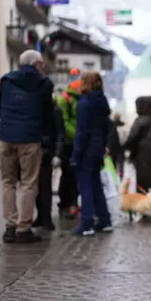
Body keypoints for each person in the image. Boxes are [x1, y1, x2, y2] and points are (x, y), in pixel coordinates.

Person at [0, 49, 54, 243]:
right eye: (41, 64)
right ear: (35, 64)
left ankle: (9, 227)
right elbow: (48, 113)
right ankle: (24, 228)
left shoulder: (6, 80)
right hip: (30, 137)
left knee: (8, 182)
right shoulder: (44, 83)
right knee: (29, 184)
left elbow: (0, 107)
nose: (43, 67)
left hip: (6, 136)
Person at [71, 72, 112, 236]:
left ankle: (86, 223)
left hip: (87, 149)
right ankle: (104, 220)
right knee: (96, 185)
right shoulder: (102, 101)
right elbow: (106, 128)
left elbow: (82, 131)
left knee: (86, 186)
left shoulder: (84, 102)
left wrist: (76, 154)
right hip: (98, 148)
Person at [34, 91, 65, 231]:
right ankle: (41, 216)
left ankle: (45, 217)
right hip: (36, 150)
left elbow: (60, 132)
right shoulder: (37, 108)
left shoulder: (55, 110)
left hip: (46, 152)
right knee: (35, 187)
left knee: (44, 187)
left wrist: (57, 153)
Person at [56, 79, 81, 219]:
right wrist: (77, 136)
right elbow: (64, 123)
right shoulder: (64, 100)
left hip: (75, 142)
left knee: (73, 174)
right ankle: (66, 202)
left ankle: (71, 202)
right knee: (69, 174)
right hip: (67, 144)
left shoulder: (77, 99)